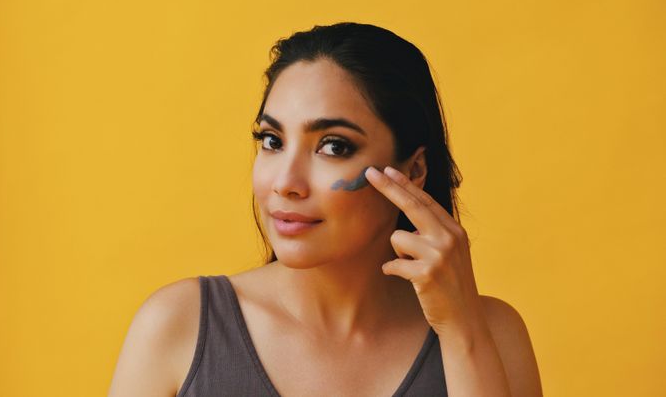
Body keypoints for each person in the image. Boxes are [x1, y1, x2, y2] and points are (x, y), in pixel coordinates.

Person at [108, 22, 543, 397]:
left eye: (333, 146)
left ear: (412, 172)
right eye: (272, 141)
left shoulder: (492, 333)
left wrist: (462, 334)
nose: (285, 183)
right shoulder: (177, 327)